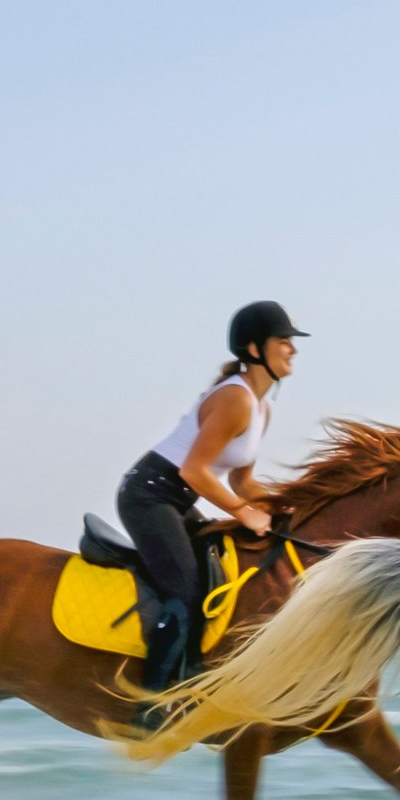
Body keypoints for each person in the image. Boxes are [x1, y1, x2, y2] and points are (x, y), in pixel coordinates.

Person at [116, 300, 303, 703]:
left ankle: (193, 670)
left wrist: (290, 503)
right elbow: (194, 472)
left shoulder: (260, 408)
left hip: (175, 498)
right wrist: (242, 512)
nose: (293, 349)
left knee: (216, 571)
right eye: (284, 340)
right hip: (149, 494)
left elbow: (243, 480)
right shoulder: (234, 399)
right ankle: (151, 701)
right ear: (255, 350)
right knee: (186, 589)